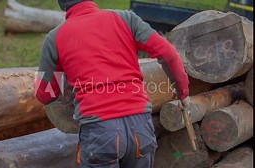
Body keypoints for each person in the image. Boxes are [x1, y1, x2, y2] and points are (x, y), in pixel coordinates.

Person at [35, 0, 190, 167]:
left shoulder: (55, 38)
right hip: (140, 128)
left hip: (99, 133)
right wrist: (183, 93)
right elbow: (169, 54)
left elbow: (44, 94)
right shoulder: (126, 18)